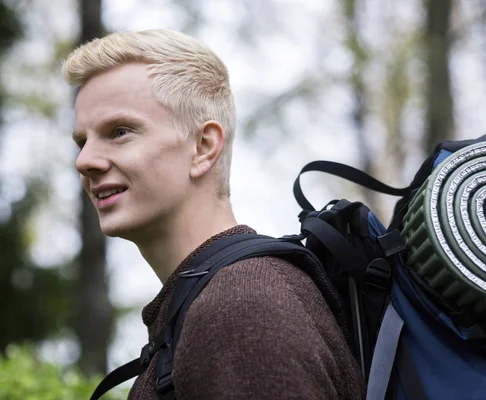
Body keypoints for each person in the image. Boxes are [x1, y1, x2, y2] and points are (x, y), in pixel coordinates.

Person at [62, 29, 365, 399]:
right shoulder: (215, 303)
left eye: (119, 131)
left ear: (204, 147)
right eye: (82, 141)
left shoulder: (244, 307)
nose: (84, 161)